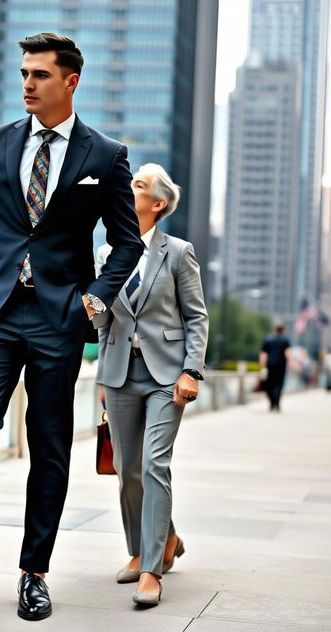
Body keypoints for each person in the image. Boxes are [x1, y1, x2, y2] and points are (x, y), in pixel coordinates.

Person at [0, 33, 144, 620]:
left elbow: (126, 243)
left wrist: (95, 300)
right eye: (24, 72)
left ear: (70, 81)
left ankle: (34, 570)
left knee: (49, 445)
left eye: (40, 75)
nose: (27, 83)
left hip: (59, 316)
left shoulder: (105, 155)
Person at [95, 163, 208, 606]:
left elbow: (196, 316)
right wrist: (103, 372)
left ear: (157, 203)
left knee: (154, 464)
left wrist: (192, 370)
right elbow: (106, 323)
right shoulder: (108, 254)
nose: (129, 189)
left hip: (167, 376)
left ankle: (151, 572)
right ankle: (158, 541)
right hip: (121, 373)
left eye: (137, 185)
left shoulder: (178, 252)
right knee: (128, 471)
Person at [259, 323, 291, 411]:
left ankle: (272, 402)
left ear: (275, 330)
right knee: (279, 385)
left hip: (270, 365)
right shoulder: (285, 340)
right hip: (281, 366)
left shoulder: (268, 339)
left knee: (269, 384)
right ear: (283, 330)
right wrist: (291, 364)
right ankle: (276, 402)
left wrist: (261, 365)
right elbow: (287, 353)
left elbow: (263, 354)